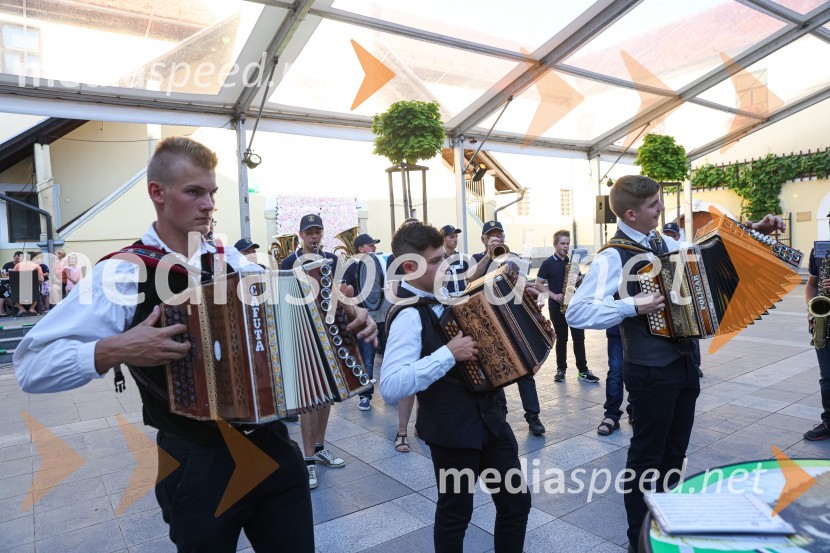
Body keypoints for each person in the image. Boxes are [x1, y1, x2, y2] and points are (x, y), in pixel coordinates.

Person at [14, 136, 376, 552]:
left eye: (211, 193)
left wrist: (343, 312)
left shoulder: (231, 261)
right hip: (196, 463)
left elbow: (294, 309)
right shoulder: (122, 273)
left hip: (272, 447)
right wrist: (115, 349)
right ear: (157, 193)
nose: (208, 205)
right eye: (194, 192)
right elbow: (30, 365)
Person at [566, 174, 785, 552]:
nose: (662, 209)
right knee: (646, 456)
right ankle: (639, 538)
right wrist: (630, 305)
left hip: (684, 364)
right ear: (631, 214)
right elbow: (576, 312)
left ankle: (664, 522)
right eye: (654, 205)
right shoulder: (611, 257)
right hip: (649, 371)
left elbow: (702, 247)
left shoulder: (661, 241)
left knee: (674, 452)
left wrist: (753, 230)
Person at [380, 221, 530, 552]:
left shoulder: (447, 295)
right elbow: (390, 386)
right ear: (410, 267)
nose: (444, 265)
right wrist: (448, 354)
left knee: (516, 504)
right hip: (452, 434)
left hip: (491, 421)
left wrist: (520, 303)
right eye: (435, 261)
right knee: (456, 515)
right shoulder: (407, 315)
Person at [280, 214, 348, 489]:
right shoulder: (288, 262)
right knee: (310, 396)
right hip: (302, 334)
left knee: (327, 394)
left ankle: (319, 446)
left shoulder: (332, 260)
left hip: (329, 333)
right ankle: (308, 459)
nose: (314, 236)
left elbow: (339, 295)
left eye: (318, 231)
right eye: (309, 232)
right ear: (300, 235)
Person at [471, 220, 545, 436]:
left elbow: (523, 285)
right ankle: (500, 415)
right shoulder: (476, 259)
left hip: (514, 320)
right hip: (489, 323)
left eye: (500, 235)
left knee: (525, 370)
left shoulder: (514, 259)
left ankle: (533, 417)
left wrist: (536, 294)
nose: (497, 238)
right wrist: (488, 255)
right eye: (491, 235)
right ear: (483, 239)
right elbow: (470, 280)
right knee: (497, 371)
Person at [534, 230, 599, 384]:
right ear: (555, 245)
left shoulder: (572, 262)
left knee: (579, 339)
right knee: (561, 339)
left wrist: (578, 279)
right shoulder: (547, 263)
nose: (566, 246)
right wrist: (554, 295)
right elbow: (538, 284)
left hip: (574, 306)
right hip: (557, 307)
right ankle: (561, 369)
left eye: (567, 243)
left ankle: (583, 371)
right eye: (563, 244)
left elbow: (580, 285)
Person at [342, 233, 384, 412]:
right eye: (370, 245)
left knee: (390, 354)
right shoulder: (351, 266)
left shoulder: (379, 262)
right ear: (360, 249)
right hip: (365, 318)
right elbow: (346, 293)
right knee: (367, 359)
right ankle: (365, 396)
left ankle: (394, 390)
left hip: (382, 315)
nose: (374, 248)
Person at [804, 236, 830, 441]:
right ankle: (828, 421)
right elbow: (811, 284)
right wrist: (811, 309)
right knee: (827, 377)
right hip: (824, 321)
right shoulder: (819, 251)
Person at [13, 252, 43, 316]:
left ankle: (21, 309)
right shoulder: (37, 266)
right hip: (33, 290)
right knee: (37, 290)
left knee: (13, 291)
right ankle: (32, 308)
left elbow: (13, 278)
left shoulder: (18, 265)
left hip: (19, 289)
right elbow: (41, 279)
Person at [441, 225, 469, 295]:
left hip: (463, 299)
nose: (456, 240)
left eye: (456, 236)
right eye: (452, 237)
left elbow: (470, 279)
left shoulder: (463, 258)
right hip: (446, 301)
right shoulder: (438, 260)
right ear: (443, 239)